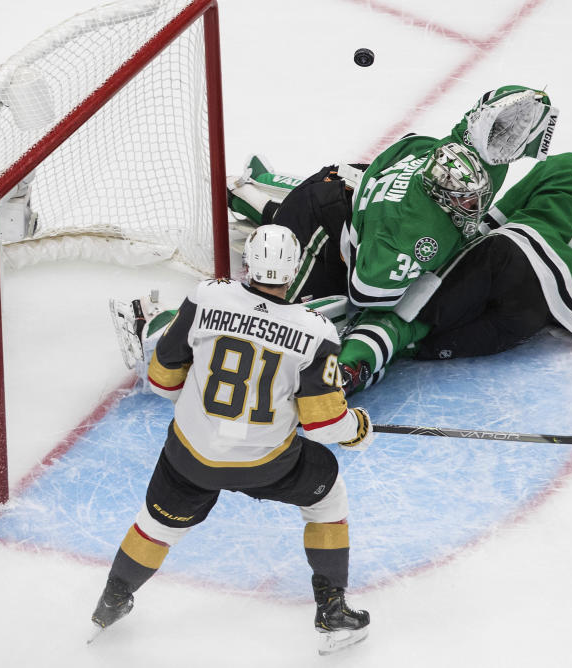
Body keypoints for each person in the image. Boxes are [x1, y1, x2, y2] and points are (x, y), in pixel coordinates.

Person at [92, 225, 374, 656]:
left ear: (248, 266)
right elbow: (324, 426)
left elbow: (162, 381)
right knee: (327, 497)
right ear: (294, 271)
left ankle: (111, 602)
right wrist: (357, 428)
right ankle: (331, 609)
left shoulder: (207, 297)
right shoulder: (316, 332)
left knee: (157, 526)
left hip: (189, 457)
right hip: (268, 467)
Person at [336, 117, 572, 393]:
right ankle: (368, 361)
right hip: (534, 317)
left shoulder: (568, 163)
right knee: (422, 344)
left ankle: (344, 369)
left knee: (406, 315)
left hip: (510, 257)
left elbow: (490, 221)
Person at [226, 85, 558, 306]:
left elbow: (392, 161)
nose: (510, 140)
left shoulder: (455, 147)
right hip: (321, 225)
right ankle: (253, 202)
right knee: (274, 312)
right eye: (466, 201)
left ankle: (248, 195)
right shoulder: (415, 230)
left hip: (342, 182)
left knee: (331, 190)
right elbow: (365, 295)